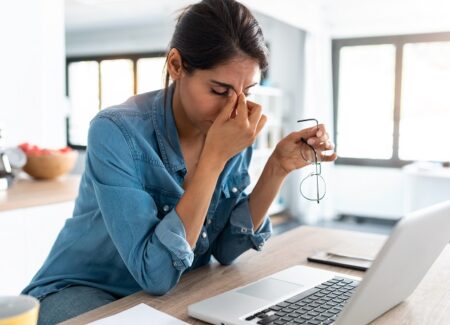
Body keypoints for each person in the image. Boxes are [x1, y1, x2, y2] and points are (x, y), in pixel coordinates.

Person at [22, 0, 336, 323]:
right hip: (82, 289)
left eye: (248, 92)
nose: (235, 109)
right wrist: (214, 159)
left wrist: (277, 168)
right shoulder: (115, 132)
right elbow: (154, 273)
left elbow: (227, 249)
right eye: (219, 89)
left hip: (163, 295)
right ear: (175, 64)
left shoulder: (230, 130)